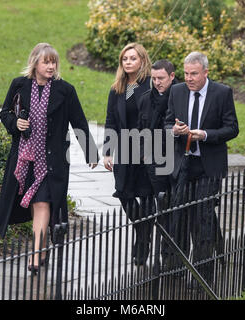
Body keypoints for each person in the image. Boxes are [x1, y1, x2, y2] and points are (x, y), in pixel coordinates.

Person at [0, 43, 98, 273]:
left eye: (53, 62)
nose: (51, 66)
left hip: (52, 162)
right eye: (46, 62)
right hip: (24, 159)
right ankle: (42, 251)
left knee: (41, 203)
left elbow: (79, 121)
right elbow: (4, 113)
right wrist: (16, 124)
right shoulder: (19, 85)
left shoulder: (65, 90)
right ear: (35, 63)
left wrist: (90, 151)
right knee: (34, 205)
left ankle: (34, 256)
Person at [164, 51, 239, 286]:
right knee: (180, 217)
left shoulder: (222, 93)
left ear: (206, 72)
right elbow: (166, 122)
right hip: (183, 165)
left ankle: (201, 274)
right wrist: (174, 130)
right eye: (186, 73)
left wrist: (205, 135)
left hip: (209, 165)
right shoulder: (176, 91)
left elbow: (232, 128)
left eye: (194, 74)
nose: (189, 78)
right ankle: (176, 267)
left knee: (203, 219)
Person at [103, 43, 154, 266]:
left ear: (142, 60)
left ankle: (142, 244)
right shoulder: (117, 89)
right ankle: (143, 231)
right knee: (123, 192)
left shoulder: (151, 85)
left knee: (146, 195)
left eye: (133, 58)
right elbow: (110, 121)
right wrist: (107, 151)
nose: (128, 62)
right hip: (124, 148)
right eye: (125, 59)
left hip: (147, 150)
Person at [137, 59, 178, 265]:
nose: (157, 82)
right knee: (162, 208)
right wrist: (145, 154)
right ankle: (165, 256)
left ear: (171, 76)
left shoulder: (181, 95)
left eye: (161, 78)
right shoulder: (145, 99)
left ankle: (174, 256)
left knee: (177, 208)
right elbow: (140, 130)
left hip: (177, 160)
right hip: (154, 161)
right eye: (153, 79)